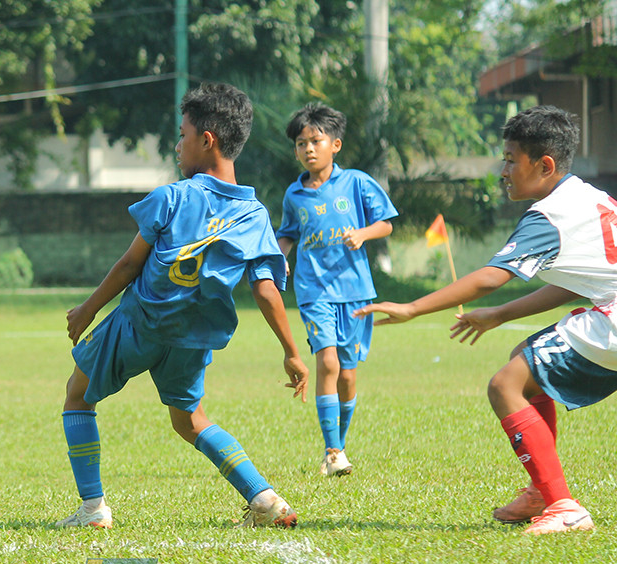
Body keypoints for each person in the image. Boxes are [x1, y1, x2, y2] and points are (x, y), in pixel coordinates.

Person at [56, 82, 310, 530]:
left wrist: (89, 308)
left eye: (182, 135)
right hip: (193, 339)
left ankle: (93, 508)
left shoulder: (173, 197)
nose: (177, 146)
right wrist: (291, 350)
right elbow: (266, 289)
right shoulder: (253, 216)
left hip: (140, 324)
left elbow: (129, 264)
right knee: (190, 420)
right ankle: (266, 500)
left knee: (78, 397)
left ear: (206, 140)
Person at [356, 104, 617, 534]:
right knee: (523, 362)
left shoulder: (549, 216)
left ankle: (563, 506)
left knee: (505, 385)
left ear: (545, 165)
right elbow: (578, 283)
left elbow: (487, 278)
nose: (504, 170)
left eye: (512, 159)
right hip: (605, 308)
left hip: (610, 320)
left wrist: (411, 308)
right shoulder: (590, 197)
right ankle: (542, 490)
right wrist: (501, 315)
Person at [276, 103, 396, 477]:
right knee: (326, 363)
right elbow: (287, 233)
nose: (308, 149)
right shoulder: (294, 195)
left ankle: (337, 449)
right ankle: (332, 451)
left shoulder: (356, 183)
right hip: (314, 290)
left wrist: (363, 233)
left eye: (315, 140)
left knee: (347, 375)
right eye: (300, 143)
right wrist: (280, 257)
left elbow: (386, 224)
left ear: (336, 145)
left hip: (356, 290)